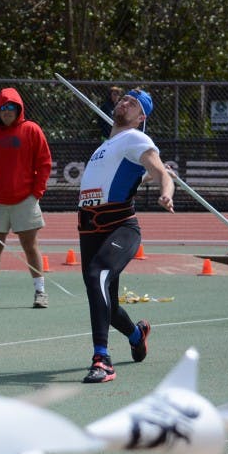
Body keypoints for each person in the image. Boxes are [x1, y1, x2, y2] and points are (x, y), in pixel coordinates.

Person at [76, 89, 174, 384]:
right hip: (90, 228)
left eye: (134, 103)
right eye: (124, 99)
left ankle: (102, 360)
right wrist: (143, 178)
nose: (125, 102)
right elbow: (125, 174)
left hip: (120, 226)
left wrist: (165, 192)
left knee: (97, 276)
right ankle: (136, 333)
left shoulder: (137, 139)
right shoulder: (108, 144)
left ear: (141, 117)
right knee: (107, 301)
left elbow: (160, 171)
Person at [0, 88, 52, 309]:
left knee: (30, 246)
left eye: (12, 107)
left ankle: (40, 292)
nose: (7, 111)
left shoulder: (32, 130)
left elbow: (44, 163)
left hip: (25, 200)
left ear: (19, 109)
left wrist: (37, 192)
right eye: (3, 107)